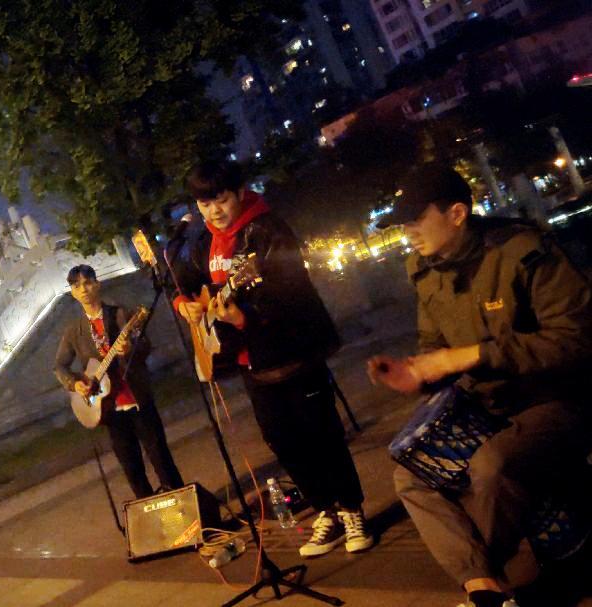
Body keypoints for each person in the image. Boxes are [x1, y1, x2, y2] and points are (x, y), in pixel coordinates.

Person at [367, 163, 592, 607]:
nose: (408, 232)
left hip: (556, 399)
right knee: (411, 474)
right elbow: (436, 348)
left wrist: (473, 355)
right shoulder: (424, 268)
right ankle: (483, 587)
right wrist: (417, 373)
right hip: (487, 404)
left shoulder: (523, 251)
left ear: (456, 214)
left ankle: (495, 584)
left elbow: (576, 339)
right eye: (403, 223)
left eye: (417, 219)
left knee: (491, 466)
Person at [171, 159, 373, 557]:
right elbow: (180, 281)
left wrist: (245, 316)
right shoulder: (202, 243)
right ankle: (325, 511)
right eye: (205, 204)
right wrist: (184, 305)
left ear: (240, 192)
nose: (214, 211)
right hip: (250, 362)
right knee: (282, 440)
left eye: (222, 200)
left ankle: (351, 510)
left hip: (294, 351)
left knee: (322, 434)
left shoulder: (267, 230)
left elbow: (293, 291)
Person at [54, 264, 185, 499]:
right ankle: (148, 513)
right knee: (133, 470)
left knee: (161, 460)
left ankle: (183, 507)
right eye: (76, 286)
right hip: (108, 409)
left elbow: (145, 345)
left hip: (136, 398)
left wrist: (130, 349)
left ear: (97, 284)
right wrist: (75, 384)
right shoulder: (74, 331)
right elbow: (60, 366)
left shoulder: (121, 314)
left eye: (87, 283)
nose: (83, 289)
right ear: (72, 292)